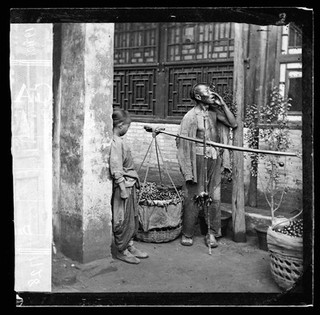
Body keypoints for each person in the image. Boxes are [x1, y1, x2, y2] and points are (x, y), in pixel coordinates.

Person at [176, 83, 237, 248]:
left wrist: (222, 104)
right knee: (194, 196)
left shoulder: (214, 114)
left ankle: (212, 233)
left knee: (215, 197)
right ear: (197, 96)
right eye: (208, 91)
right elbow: (182, 144)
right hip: (197, 159)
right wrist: (188, 171)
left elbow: (234, 123)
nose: (212, 93)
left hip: (214, 158)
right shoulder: (190, 116)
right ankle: (187, 233)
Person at [109, 109, 149, 264]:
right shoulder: (116, 143)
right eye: (127, 126)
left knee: (131, 218)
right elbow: (116, 167)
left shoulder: (121, 140)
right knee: (122, 219)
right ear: (120, 125)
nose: (127, 129)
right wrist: (123, 189)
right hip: (123, 186)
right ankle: (121, 250)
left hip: (130, 183)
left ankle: (130, 245)